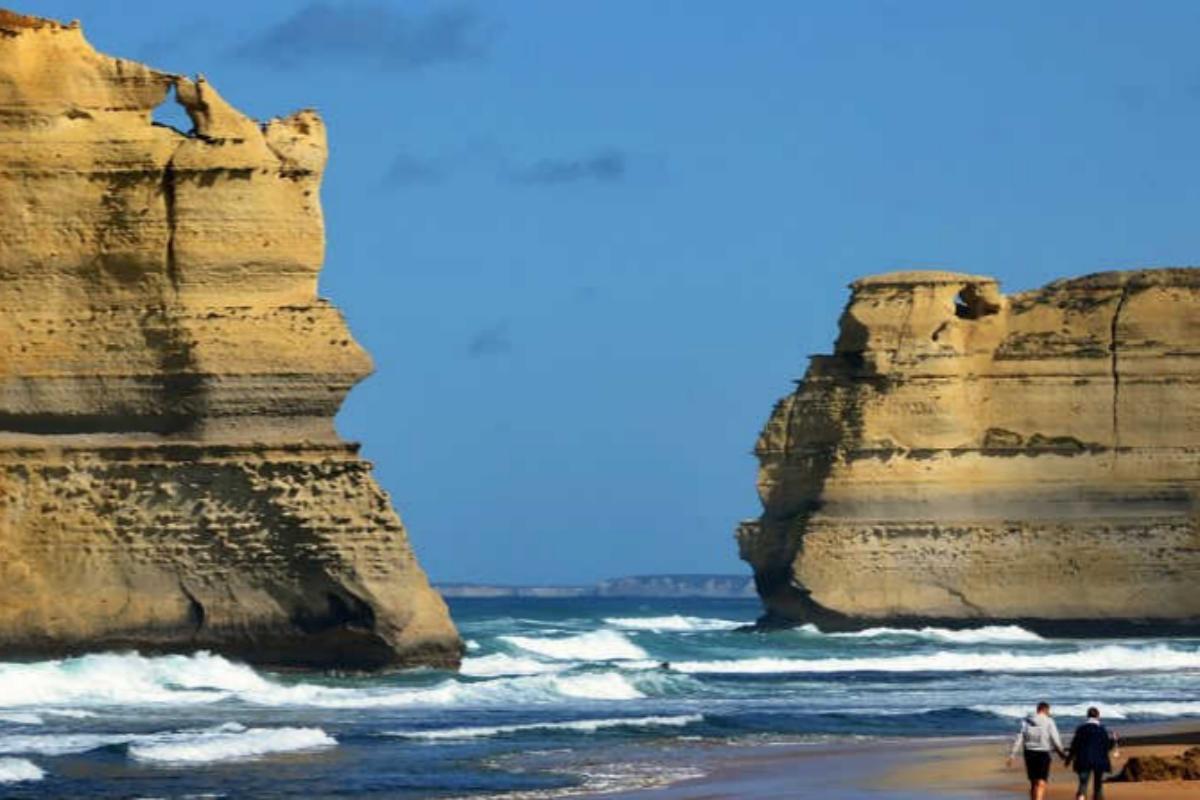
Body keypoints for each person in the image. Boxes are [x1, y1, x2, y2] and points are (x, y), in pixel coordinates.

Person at [1008, 702, 1067, 800]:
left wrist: (1012, 755)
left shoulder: (1026, 721)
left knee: (1034, 782)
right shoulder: (1049, 721)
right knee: (1041, 782)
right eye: (1048, 711)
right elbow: (1055, 739)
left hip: (1029, 753)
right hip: (1043, 754)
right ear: (1045, 710)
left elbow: (1019, 738)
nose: (1049, 713)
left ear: (1037, 709)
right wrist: (1061, 753)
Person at [1065, 707, 1118, 800]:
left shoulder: (1081, 729)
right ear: (1098, 716)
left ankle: (1081, 797)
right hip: (1099, 760)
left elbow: (1074, 745)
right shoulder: (1102, 730)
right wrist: (1114, 740)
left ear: (1087, 716)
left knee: (1083, 784)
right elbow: (1107, 747)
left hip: (1083, 759)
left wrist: (1068, 759)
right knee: (1098, 785)